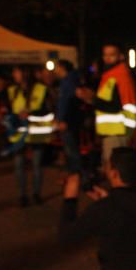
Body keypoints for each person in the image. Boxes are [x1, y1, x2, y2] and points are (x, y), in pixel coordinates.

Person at [78, 43, 136, 174]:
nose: (107, 58)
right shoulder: (110, 75)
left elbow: (115, 107)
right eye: (105, 54)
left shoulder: (118, 75)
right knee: (114, 169)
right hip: (113, 131)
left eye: (112, 55)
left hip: (117, 131)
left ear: (120, 56)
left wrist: (92, 99)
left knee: (115, 170)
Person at [6, 65, 55, 206]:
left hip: (36, 133)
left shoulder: (41, 89)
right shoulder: (12, 91)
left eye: (16, 71)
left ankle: (36, 194)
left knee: (36, 165)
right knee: (19, 165)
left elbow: (49, 111)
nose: (14, 74)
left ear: (25, 73)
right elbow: (10, 110)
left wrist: (31, 114)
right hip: (19, 134)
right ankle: (22, 195)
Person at [54, 60, 86, 193]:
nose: (55, 71)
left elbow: (70, 103)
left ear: (62, 68)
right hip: (67, 121)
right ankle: (75, 176)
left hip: (68, 122)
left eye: (57, 68)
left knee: (72, 151)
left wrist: (64, 120)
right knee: (70, 150)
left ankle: (78, 178)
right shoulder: (67, 81)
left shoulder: (69, 81)